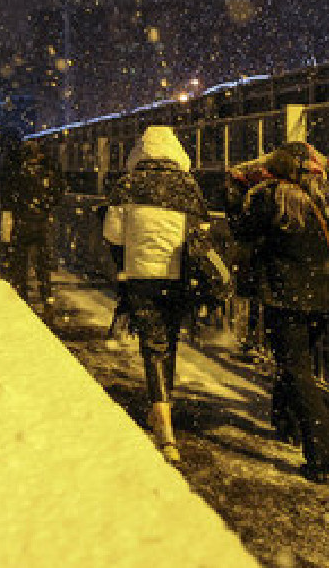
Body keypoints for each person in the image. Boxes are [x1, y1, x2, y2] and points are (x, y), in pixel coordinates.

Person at [228, 141, 329, 482]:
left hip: (287, 297)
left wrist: (235, 189)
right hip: (328, 298)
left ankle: (327, 452)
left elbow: (240, 228)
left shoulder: (270, 197)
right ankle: (286, 423)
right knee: (298, 364)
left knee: (294, 368)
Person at [101, 125, 209, 463]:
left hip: (140, 276)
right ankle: (167, 402)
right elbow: (201, 232)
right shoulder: (187, 186)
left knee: (153, 343)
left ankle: (161, 416)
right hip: (177, 277)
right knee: (170, 338)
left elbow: (113, 235)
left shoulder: (128, 184)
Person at [0, 140, 65, 309]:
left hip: (21, 223)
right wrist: (46, 207)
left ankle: (22, 297)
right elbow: (58, 193)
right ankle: (46, 297)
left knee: (20, 263)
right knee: (42, 265)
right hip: (41, 223)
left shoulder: (17, 173)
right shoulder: (47, 174)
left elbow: (6, 197)